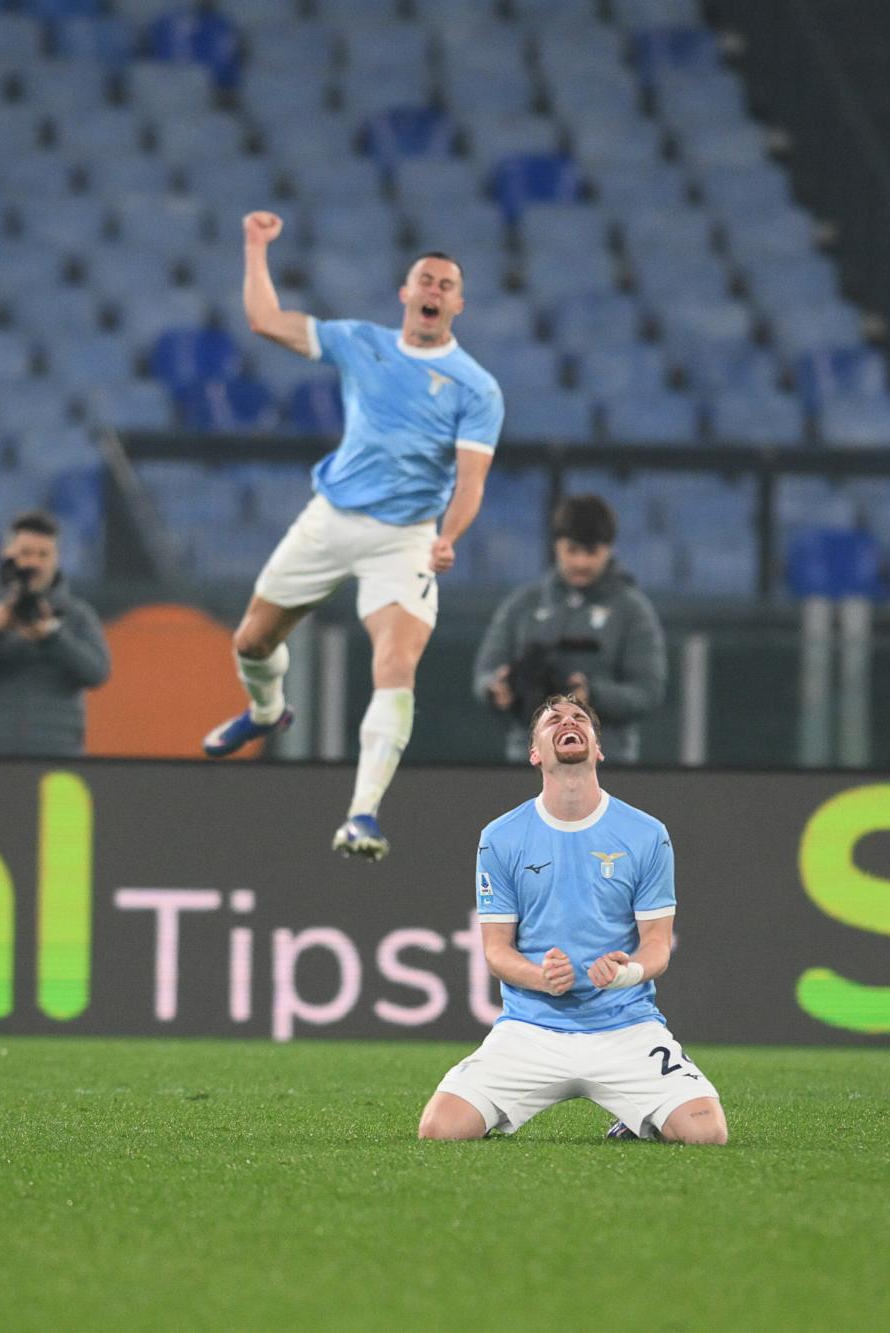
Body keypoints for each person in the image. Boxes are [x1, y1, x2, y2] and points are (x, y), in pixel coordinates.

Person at [200, 210, 503, 861]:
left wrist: (449, 536)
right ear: (405, 291)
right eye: (425, 279)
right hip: (331, 518)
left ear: (458, 303)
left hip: (406, 539)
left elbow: (472, 482)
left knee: (396, 665)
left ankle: (362, 814)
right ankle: (265, 710)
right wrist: (255, 246)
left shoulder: (476, 388)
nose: (433, 290)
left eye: (446, 285)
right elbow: (265, 320)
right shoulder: (359, 341)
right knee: (252, 640)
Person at [416, 692, 728, 1146]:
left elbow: (657, 946)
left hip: (626, 1027)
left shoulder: (646, 834)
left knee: (707, 1133)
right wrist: (540, 976)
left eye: (580, 717)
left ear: (597, 749)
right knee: (440, 1130)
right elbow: (496, 950)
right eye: (553, 719)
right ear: (535, 753)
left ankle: (638, 1118)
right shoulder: (501, 837)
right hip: (531, 1031)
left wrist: (628, 974)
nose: (569, 721)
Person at [473, 494, 667, 764]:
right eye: (572, 550)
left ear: (608, 549)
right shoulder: (524, 604)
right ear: (556, 547)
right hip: (528, 760)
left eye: (591, 552)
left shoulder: (632, 610)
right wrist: (497, 689)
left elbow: (648, 691)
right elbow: (486, 670)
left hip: (607, 762)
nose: (581, 563)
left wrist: (592, 695)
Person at [0, 509, 110, 756]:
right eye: (26, 553)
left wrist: (52, 635)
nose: (34, 563)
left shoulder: (77, 615)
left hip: (57, 751)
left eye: (43, 554)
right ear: (7, 554)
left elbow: (98, 673)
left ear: (56, 559)